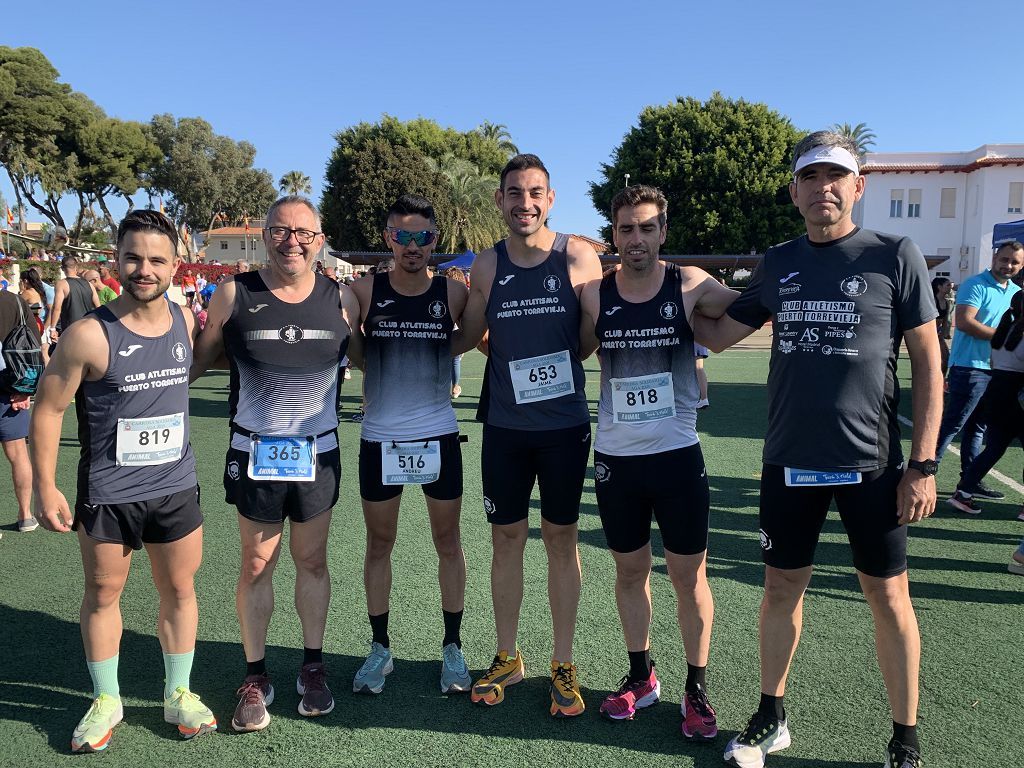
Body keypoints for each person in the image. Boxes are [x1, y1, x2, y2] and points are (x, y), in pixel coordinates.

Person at [692, 130, 942, 768]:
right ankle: (771, 715)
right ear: (796, 190)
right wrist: (675, 287)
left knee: (888, 597)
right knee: (780, 589)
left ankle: (904, 738)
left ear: (858, 187)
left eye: (837, 177)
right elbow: (720, 336)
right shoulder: (780, 262)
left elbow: (929, 366)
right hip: (788, 461)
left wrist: (923, 465)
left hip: (873, 466)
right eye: (811, 177)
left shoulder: (895, 254)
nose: (823, 188)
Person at [30, 209, 216, 752]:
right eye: (133, 257)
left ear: (176, 266)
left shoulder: (183, 319)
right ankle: (106, 698)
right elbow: (47, 409)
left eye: (157, 259)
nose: (144, 268)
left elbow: (186, 375)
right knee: (103, 593)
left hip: (175, 486)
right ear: (116, 259)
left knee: (180, 589)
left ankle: (178, 691)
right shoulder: (89, 334)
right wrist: (46, 486)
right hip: (110, 494)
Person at [191, 196, 361, 732]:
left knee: (312, 562)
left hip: (318, 453)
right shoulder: (233, 293)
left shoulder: (343, 298)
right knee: (256, 564)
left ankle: (312, 666)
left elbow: (363, 357)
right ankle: (256, 674)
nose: (293, 240)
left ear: (320, 237)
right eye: (281, 231)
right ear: (265, 235)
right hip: (253, 453)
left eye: (303, 232)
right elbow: (198, 361)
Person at [579, 185, 736, 737]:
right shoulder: (596, 295)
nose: (636, 239)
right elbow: (567, 345)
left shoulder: (690, 284)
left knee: (688, 576)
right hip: (617, 459)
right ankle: (641, 675)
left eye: (647, 228)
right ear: (613, 234)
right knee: (629, 571)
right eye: (626, 229)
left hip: (676, 456)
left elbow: (739, 315)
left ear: (662, 231)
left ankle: (697, 687)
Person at [456, 153, 603, 717]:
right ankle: (508, 654)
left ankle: (562, 662)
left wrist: (553, 372)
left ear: (551, 198)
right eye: (514, 193)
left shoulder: (577, 256)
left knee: (562, 540)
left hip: (564, 427)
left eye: (535, 192)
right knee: (506, 540)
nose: (525, 203)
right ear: (500, 199)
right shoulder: (488, 266)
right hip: (505, 429)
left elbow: (590, 336)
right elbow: (471, 333)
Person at [348, 194, 471, 695]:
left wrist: (436, 350)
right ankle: (380, 648)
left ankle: (453, 647)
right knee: (380, 544)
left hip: (438, 434)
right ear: (388, 239)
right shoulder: (362, 290)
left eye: (422, 237)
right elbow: (345, 340)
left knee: (448, 543)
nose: (413, 246)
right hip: (381, 438)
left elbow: (475, 332)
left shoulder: (452, 294)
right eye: (403, 236)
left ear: (434, 240)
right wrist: (370, 359)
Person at [934, 242, 1023, 498]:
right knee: (953, 425)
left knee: (978, 429)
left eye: (1014, 262)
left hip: (996, 372)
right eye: (1004, 259)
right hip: (969, 368)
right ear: (995, 257)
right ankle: (923, 474)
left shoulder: (1015, 292)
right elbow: (964, 322)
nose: (1008, 265)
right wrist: (1007, 339)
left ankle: (969, 482)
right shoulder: (976, 284)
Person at [948, 287, 1024, 518]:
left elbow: (994, 363)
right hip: (1018, 398)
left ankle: (964, 493)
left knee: (993, 449)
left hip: (997, 394)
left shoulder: (1004, 331)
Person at [0, 288, 41, 532]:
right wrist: (25, 387)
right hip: (11, 387)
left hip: (10, 387)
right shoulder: (15, 300)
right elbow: (33, 343)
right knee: (17, 454)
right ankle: (26, 515)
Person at [47, 255, 101, 346]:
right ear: (76, 267)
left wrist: (52, 328)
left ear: (62, 268)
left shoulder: (61, 284)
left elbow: (57, 308)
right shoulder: (89, 284)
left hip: (71, 329)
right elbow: (98, 307)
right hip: (88, 327)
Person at [444, 267, 469, 398]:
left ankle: (446, 389)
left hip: (444, 330)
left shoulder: (442, 292)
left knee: (444, 361)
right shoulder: (465, 294)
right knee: (455, 361)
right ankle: (455, 387)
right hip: (456, 330)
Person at [931, 277, 954, 375]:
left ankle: (941, 381)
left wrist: (943, 334)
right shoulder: (931, 301)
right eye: (948, 285)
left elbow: (945, 321)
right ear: (939, 287)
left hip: (937, 333)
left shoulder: (947, 302)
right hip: (930, 333)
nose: (950, 288)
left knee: (946, 357)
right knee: (935, 359)